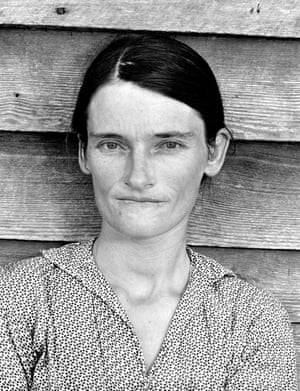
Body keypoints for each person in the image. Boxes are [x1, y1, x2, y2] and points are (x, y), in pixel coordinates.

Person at [0, 34, 297, 390]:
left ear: (214, 152)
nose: (138, 176)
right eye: (112, 144)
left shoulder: (251, 322)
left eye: (168, 145)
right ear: (84, 152)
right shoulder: (18, 299)